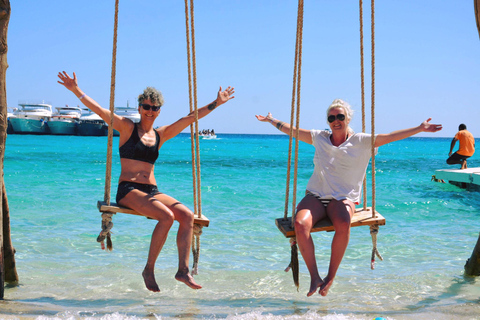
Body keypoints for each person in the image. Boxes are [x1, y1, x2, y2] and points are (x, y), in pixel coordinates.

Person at [58, 71, 234, 292]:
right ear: (140, 108)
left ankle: (183, 270)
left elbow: (189, 118)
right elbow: (101, 111)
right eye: (146, 107)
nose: (150, 111)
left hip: (151, 190)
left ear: (159, 111)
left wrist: (216, 103)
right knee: (166, 216)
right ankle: (149, 269)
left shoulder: (161, 134)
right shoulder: (127, 127)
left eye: (155, 108)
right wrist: (76, 90)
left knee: (187, 216)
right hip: (128, 190)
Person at [255, 99, 442, 297]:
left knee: (343, 224)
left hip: (343, 198)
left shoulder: (360, 140)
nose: (336, 121)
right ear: (328, 121)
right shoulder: (319, 137)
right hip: (316, 195)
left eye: (340, 117)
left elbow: (390, 137)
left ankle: (331, 276)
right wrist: (271, 120)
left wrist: (419, 128)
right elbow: (292, 130)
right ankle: (315, 276)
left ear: (348, 118)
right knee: (300, 225)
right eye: (332, 117)